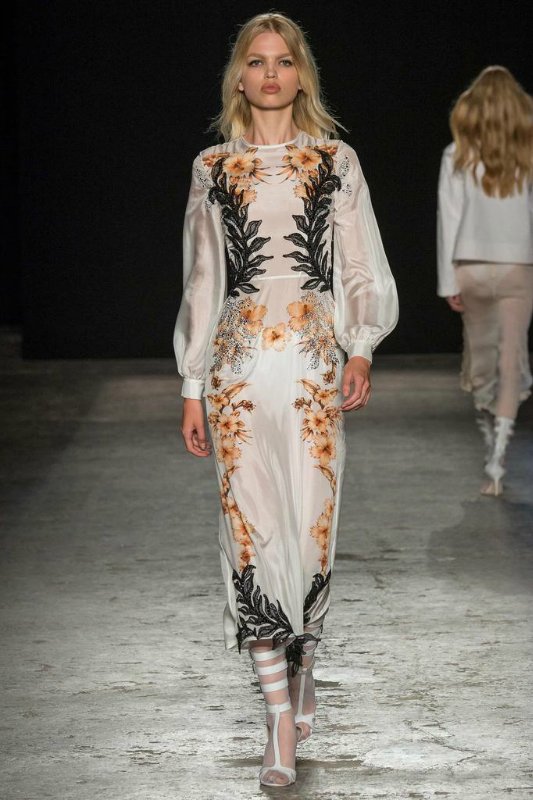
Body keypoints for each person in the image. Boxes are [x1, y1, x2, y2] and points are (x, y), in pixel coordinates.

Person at [174, 12, 398, 787]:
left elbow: (359, 262)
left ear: (301, 75)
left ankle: (303, 665)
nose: (270, 73)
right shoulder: (212, 167)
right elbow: (203, 279)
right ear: (238, 77)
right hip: (236, 374)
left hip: (309, 371)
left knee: (309, 533)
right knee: (248, 533)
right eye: (256, 61)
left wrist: (360, 346)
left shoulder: (334, 161)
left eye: (284, 61)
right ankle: (276, 713)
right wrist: (192, 384)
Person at [437, 66, 533, 497]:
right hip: (519, 265)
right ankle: (498, 460)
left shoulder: (457, 154)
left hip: (471, 266)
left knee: (480, 359)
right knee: (511, 358)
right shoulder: (528, 154)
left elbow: (449, 218)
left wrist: (447, 281)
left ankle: (491, 445)